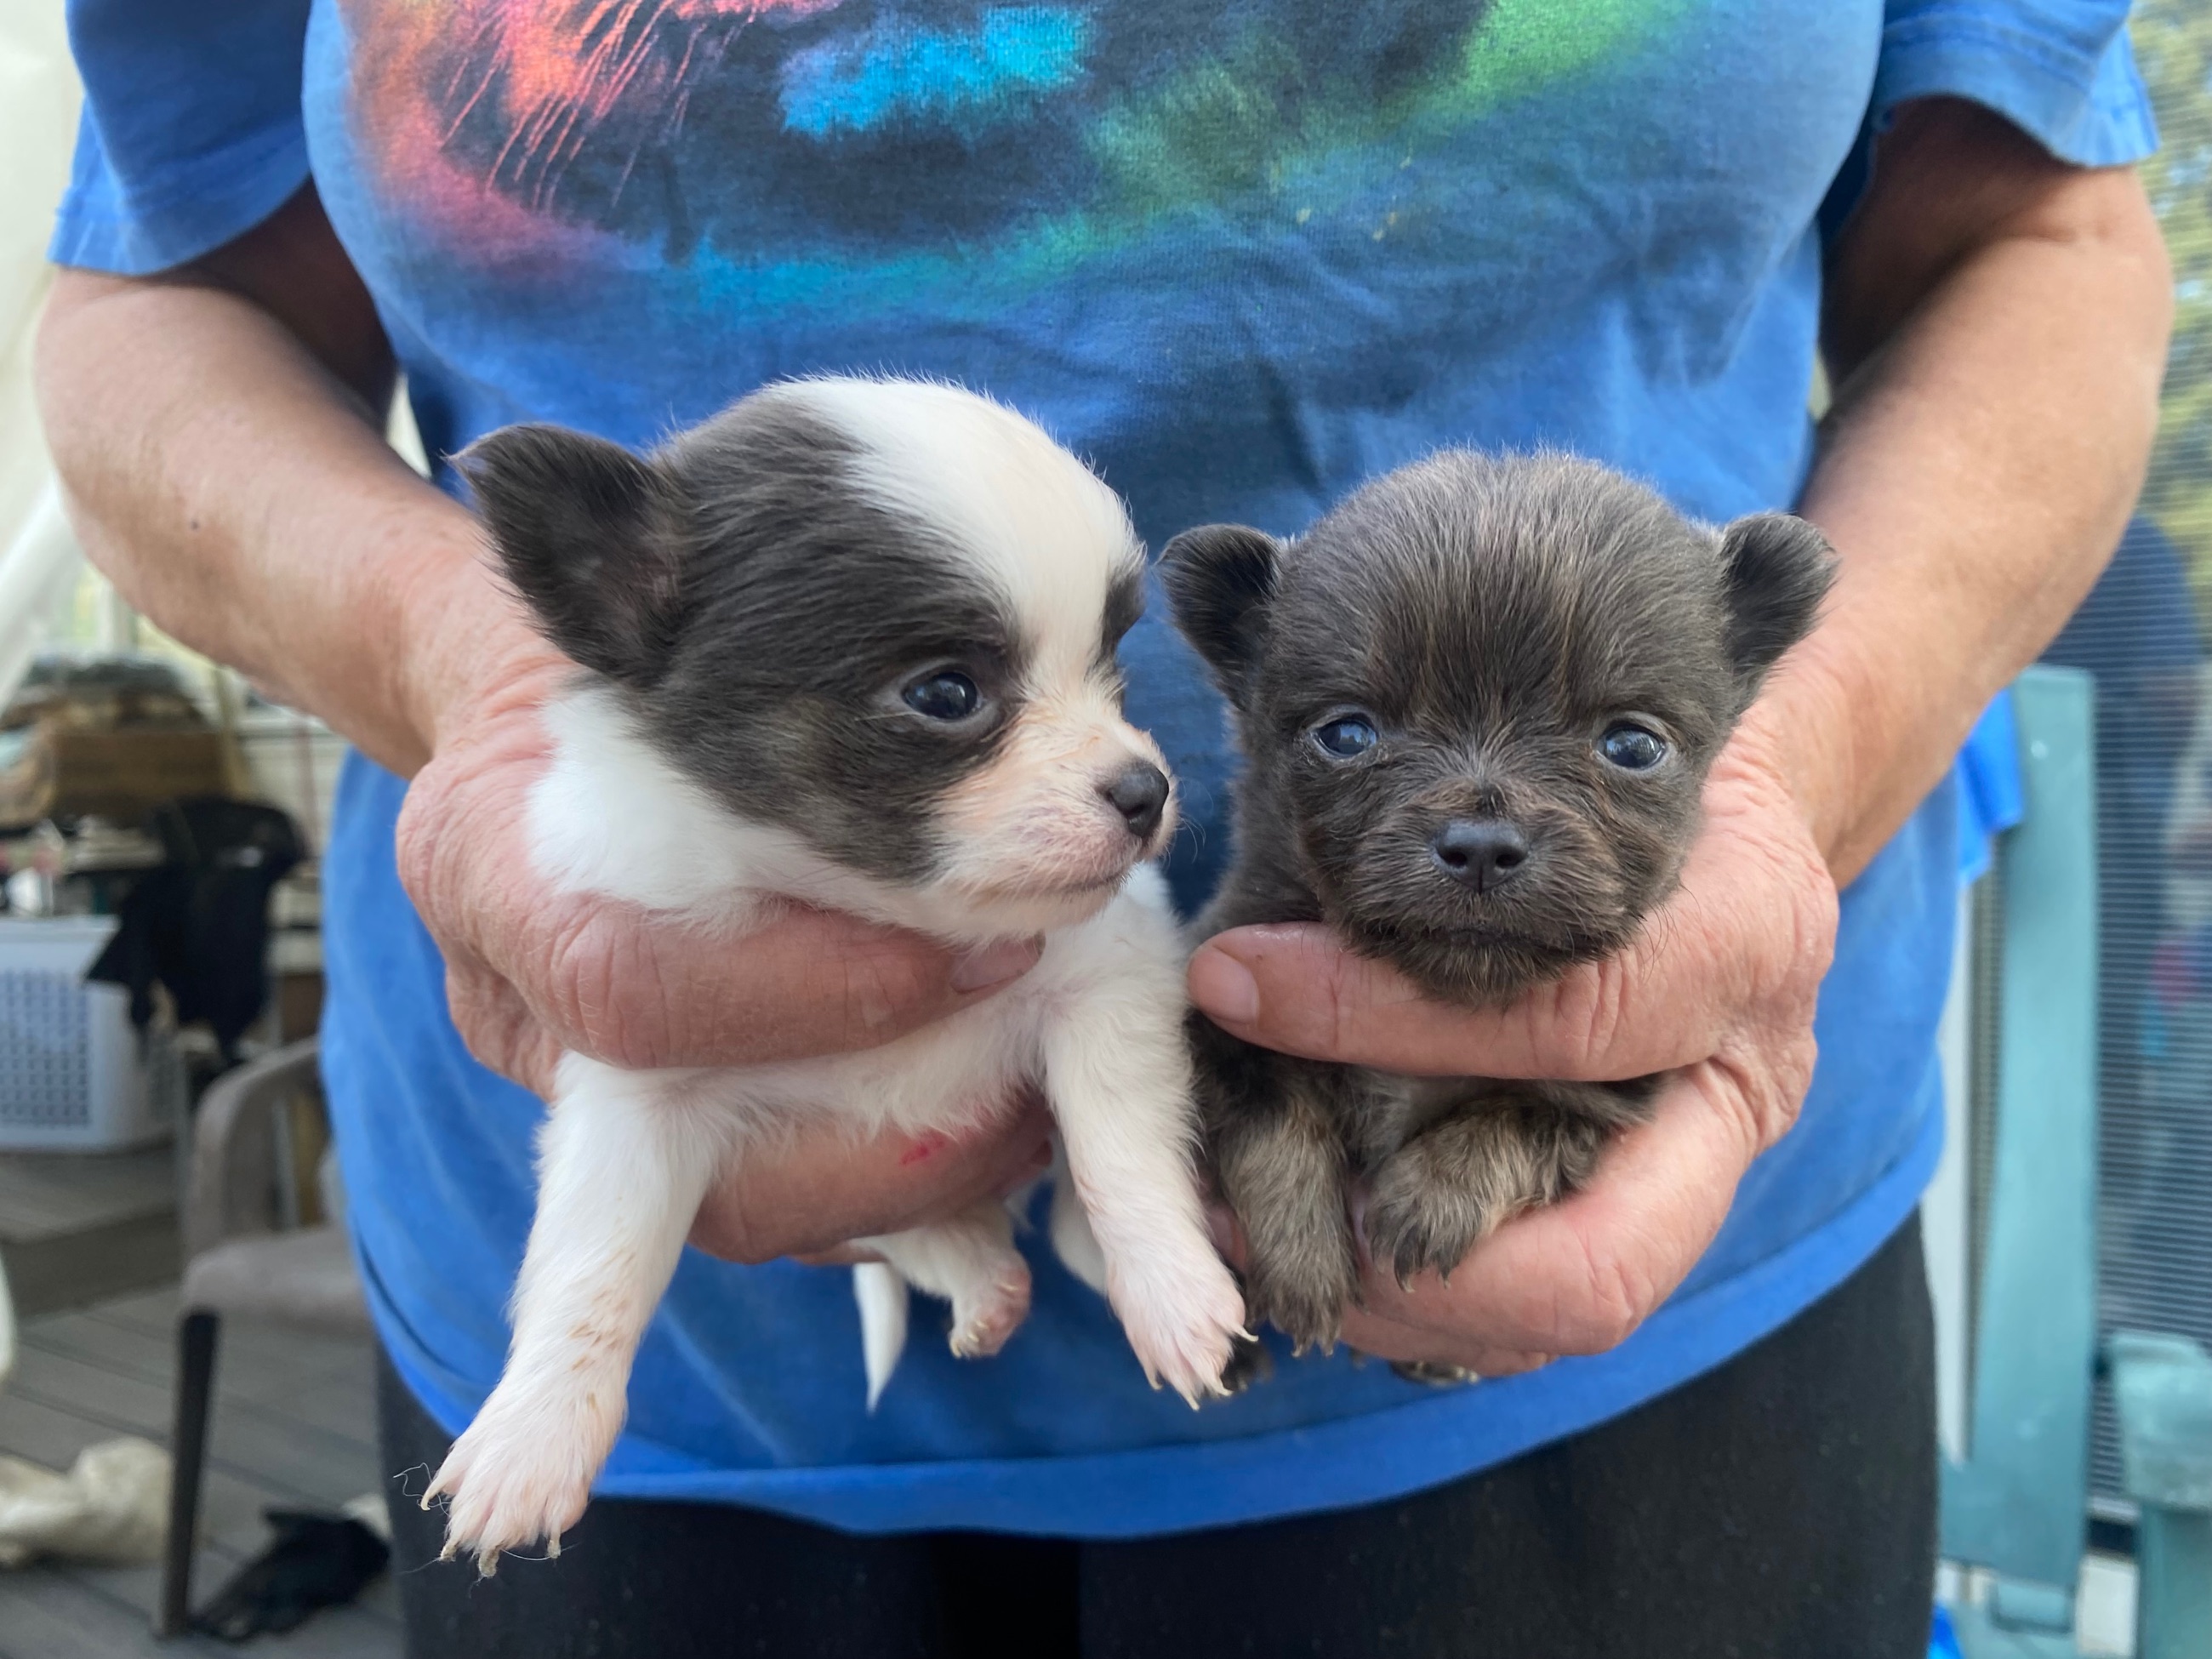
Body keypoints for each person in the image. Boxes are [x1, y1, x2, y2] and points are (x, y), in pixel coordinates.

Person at [35, 3, 2168, 1655]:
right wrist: (470, 669)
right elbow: (153, 303)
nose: (1145, 768)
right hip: (678, 1359)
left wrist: (1781, 781)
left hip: (1641, 1296)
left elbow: (2050, 233)